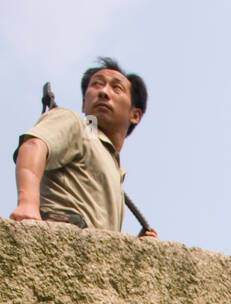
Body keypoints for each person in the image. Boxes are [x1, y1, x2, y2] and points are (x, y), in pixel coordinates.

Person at [10, 57, 157, 238]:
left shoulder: (114, 168)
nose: (104, 92)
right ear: (83, 103)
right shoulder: (74, 123)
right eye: (96, 85)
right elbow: (34, 145)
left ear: (135, 115)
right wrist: (27, 204)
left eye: (116, 88)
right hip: (61, 237)